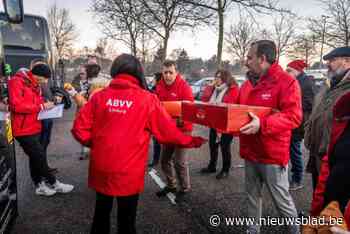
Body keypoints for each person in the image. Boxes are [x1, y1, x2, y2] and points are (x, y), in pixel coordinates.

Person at [71, 54, 206, 234]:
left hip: (102, 167)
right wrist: (192, 141)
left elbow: (79, 128)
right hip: (129, 170)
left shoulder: (99, 97)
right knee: (127, 221)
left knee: (101, 215)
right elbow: (168, 133)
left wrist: (98, 144)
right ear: (138, 72)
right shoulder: (147, 100)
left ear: (115, 71)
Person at [239, 40, 302, 234]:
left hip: (271, 155)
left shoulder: (287, 82)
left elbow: (294, 117)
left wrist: (263, 124)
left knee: (281, 201)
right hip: (251, 151)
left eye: (250, 57)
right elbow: (240, 110)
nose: (246, 61)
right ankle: (252, 230)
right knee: (252, 196)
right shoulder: (249, 83)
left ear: (262, 58)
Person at [8, 63, 74, 196]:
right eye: (45, 78)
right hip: (22, 129)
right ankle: (54, 183)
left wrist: (50, 103)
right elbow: (16, 106)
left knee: (35, 157)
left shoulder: (34, 84)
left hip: (34, 126)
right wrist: (43, 106)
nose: (46, 82)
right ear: (38, 75)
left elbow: (36, 102)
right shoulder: (16, 82)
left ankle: (39, 185)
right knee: (39, 156)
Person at [306, 47, 350, 218]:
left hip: (335, 155)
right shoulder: (329, 84)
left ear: (347, 61)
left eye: (333, 60)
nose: (328, 64)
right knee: (318, 192)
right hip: (317, 150)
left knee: (334, 198)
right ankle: (316, 219)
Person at [155, 60, 195, 203]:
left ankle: (185, 188)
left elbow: (190, 112)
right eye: (165, 72)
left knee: (180, 162)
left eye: (170, 72)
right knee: (164, 160)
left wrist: (178, 120)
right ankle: (172, 185)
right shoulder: (159, 87)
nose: (167, 75)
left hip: (183, 130)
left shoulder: (184, 87)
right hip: (168, 130)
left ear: (176, 73)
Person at [199, 69, 239, 179]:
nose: (216, 79)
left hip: (226, 123)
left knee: (225, 147)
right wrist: (210, 87)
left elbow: (229, 105)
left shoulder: (232, 89)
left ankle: (225, 170)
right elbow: (204, 100)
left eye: (219, 77)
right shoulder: (214, 89)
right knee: (213, 145)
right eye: (216, 76)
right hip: (214, 122)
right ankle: (212, 166)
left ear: (225, 78)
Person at [286, 60, 315, 190]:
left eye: (289, 70)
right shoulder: (293, 81)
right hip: (291, 120)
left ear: (298, 71)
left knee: (294, 151)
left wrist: (292, 104)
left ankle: (297, 179)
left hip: (299, 123)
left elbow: (310, 103)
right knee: (289, 150)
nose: (287, 73)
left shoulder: (306, 83)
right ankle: (290, 176)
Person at [30, 59, 60, 174]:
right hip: (39, 117)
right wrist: (43, 104)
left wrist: (56, 97)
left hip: (48, 116)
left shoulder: (46, 81)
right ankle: (41, 171)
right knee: (39, 146)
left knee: (45, 143)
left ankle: (44, 167)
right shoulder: (32, 83)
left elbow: (51, 93)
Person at [148, 72, 162, 167]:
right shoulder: (153, 89)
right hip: (154, 117)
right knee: (156, 140)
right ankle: (156, 159)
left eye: (154, 78)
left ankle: (156, 160)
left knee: (157, 140)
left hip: (159, 118)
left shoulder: (159, 90)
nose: (152, 80)